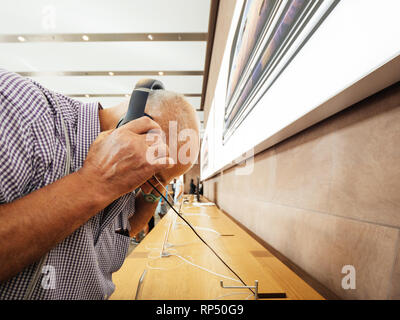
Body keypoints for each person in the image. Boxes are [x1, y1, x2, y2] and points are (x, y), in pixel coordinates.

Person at [0, 69, 200, 299]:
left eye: (160, 182)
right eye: (153, 175)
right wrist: (95, 182)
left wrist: (153, 194)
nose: (148, 188)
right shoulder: (18, 106)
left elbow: (123, 232)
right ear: (131, 122)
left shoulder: (132, 177)